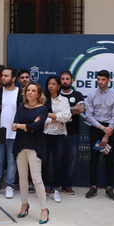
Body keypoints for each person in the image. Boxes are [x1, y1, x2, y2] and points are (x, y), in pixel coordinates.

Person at [11, 82, 49, 223]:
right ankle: (24, 204)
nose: (30, 93)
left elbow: (36, 127)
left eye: (33, 91)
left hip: (35, 146)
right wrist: (26, 126)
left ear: (39, 94)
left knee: (37, 179)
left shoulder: (43, 109)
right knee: (22, 177)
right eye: (28, 90)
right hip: (20, 145)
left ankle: (44, 209)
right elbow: (13, 126)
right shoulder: (21, 108)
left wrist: (21, 126)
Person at [84, 70, 114, 201]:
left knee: (109, 160)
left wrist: (107, 133)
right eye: (98, 79)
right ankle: (93, 187)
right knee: (94, 159)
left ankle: (109, 188)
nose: (100, 82)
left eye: (103, 79)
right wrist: (102, 128)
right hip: (96, 128)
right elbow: (88, 115)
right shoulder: (92, 95)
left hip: (109, 130)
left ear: (108, 80)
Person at [0, 67, 21, 199]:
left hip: (15, 132)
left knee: (12, 161)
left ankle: (9, 185)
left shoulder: (21, 93)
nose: (3, 78)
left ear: (13, 78)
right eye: (2, 75)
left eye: (6, 76)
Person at [42, 75, 71, 203]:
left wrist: (50, 116)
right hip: (46, 134)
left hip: (59, 134)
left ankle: (56, 189)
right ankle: (46, 186)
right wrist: (56, 117)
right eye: (49, 84)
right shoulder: (43, 100)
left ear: (58, 86)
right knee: (45, 161)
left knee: (58, 162)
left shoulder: (64, 100)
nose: (51, 86)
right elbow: (41, 118)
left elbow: (66, 116)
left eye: (54, 84)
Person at [59, 70, 85, 195]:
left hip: (72, 133)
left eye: (67, 79)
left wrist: (62, 111)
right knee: (55, 160)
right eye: (63, 79)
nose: (65, 81)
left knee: (70, 161)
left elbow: (80, 109)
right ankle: (52, 185)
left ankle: (66, 185)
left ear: (72, 80)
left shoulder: (78, 94)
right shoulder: (55, 94)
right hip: (56, 133)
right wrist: (71, 110)